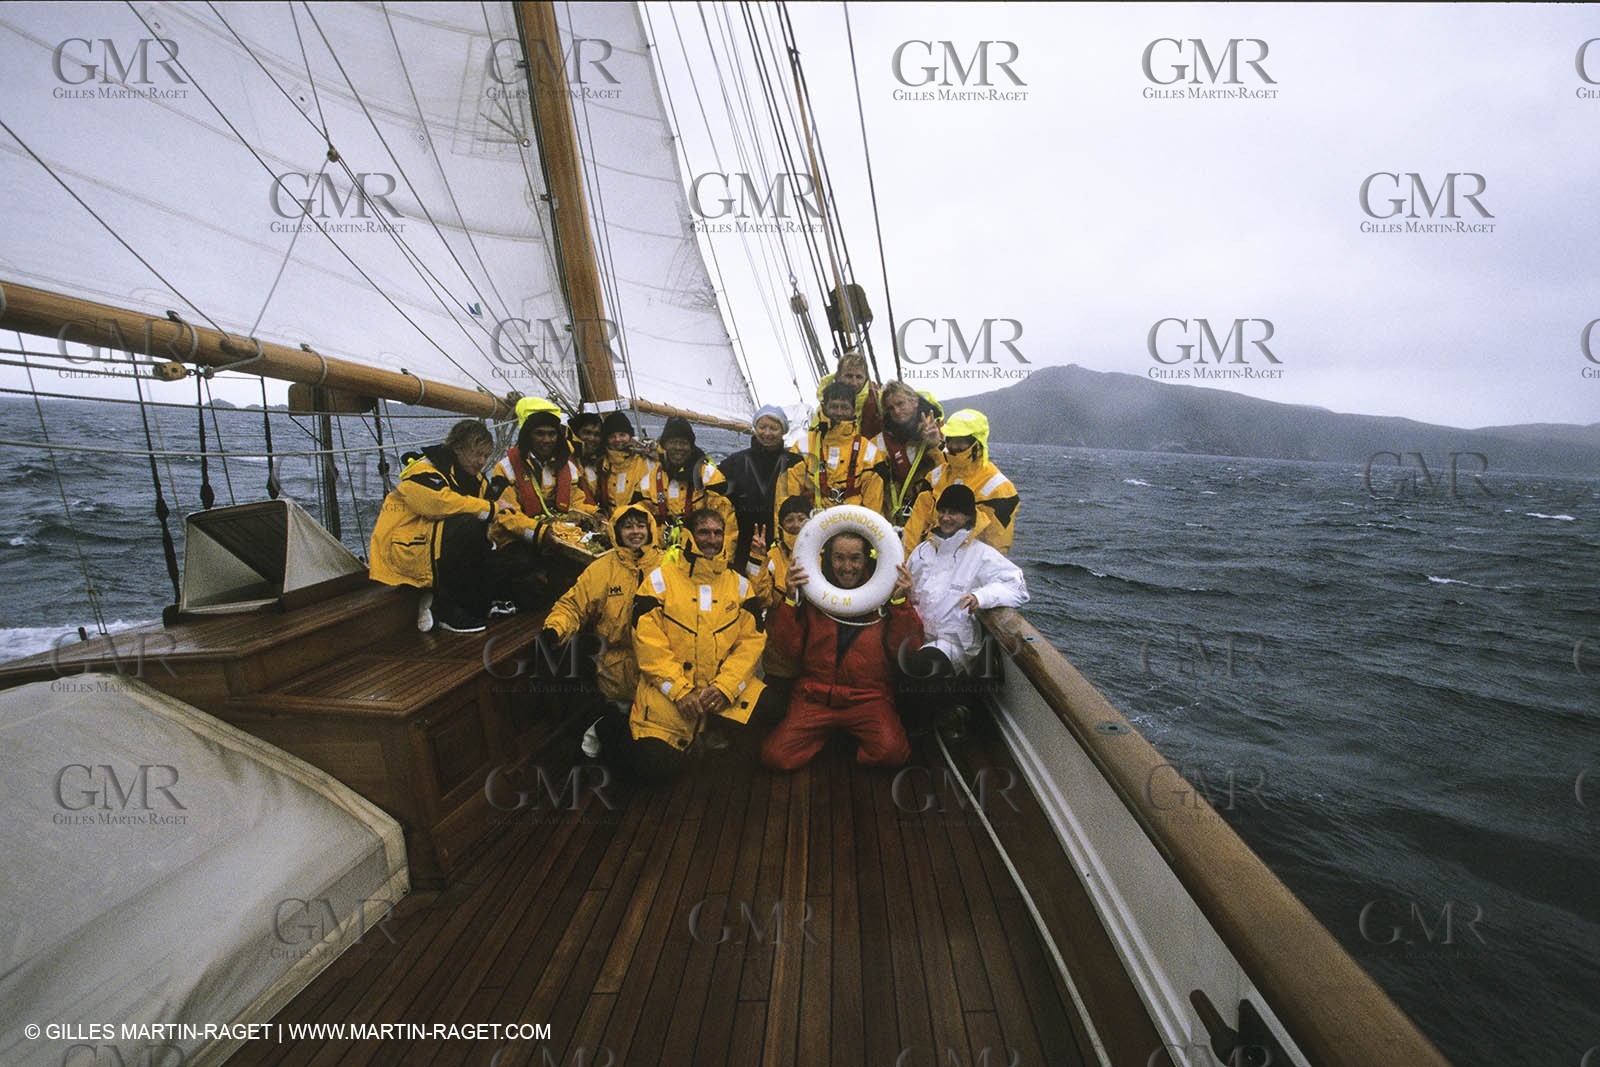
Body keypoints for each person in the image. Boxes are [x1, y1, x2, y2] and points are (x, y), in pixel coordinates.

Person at [592, 508, 766, 781]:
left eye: (717, 532)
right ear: (688, 535)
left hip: (717, 692)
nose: (711, 539)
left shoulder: (740, 586)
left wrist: (725, 687)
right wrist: (680, 691)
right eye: (703, 532)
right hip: (669, 693)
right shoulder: (659, 582)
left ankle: (708, 734)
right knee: (657, 768)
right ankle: (609, 726)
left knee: (768, 720)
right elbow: (648, 645)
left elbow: (751, 643)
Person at [760, 530, 920, 772]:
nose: (847, 567)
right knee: (775, 757)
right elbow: (787, 649)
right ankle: (835, 735)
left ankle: (839, 739)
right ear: (828, 558)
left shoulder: (886, 594)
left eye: (855, 558)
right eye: (839, 558)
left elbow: (907, 650)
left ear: (867, 559)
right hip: (815, 696)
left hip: (867, 697)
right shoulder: (813, 593)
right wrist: (791, 599)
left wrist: (900, 604)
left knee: (893, 753)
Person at [904, 484, 1029, 732]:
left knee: (921, 667)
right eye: (943, 511)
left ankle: (937, 720)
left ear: (969, 517)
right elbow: (909, 588)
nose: (946, 517)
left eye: (954, 512)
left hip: (954, 642)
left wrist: (981, 596)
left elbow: (1018, 586)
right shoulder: (922, 551)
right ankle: (942, 711)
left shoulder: (981, 554)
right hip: (917, 635)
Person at [368, 419, 498, 634]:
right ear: (457, 449)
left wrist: (538, 530)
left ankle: (461, 603)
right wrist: (489, 508)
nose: (482, 462)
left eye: (486, 456)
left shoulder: (475, 479)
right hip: (405, 551)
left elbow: (502, 511)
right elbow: (437, 504)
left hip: (431, 546)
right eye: (477, 454)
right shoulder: (423, 470)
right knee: (468, 524)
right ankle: (444, 607)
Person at [543, 506, 660, 714]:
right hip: (615, 674)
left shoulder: (667, 566)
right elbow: (573, 605)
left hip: (659, 670)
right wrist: (555, 628)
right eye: (628, 527)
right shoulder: (601, 569)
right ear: (616, 531)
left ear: (650, 529)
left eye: (641, 526)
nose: (635, 532)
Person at [902, 408, 1019, 554]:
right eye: (950, 439)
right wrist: (906, 566)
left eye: (961, 441)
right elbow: (914, 528)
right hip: (927, 561)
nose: (953, 446)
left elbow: (996, 546)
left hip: (967, 568)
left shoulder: (1000, 489)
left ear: (978, 443)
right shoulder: (935, 477)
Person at [781, 380, 885, 517]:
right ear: (823, 407)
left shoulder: (869, 452)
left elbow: (874, 505)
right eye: (834, 406)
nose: (839, 412)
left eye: (844, 407)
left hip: (856, 522)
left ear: (853, 410)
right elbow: (787, 499)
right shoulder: (802, 447)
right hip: (813, 523)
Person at [719, 404, 803, 571]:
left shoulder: (796, 463)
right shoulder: (735, 462)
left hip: (783, 545)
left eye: (774, 428)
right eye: (762, 427)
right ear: (755, 428)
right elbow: (709, 482)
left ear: (783, 431)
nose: (767, 433)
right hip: (744, 542)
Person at [649, 416, 738, 560]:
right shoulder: (651, 477)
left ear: (691, 446)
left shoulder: (709, 476)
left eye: (683, 443)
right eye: (673, 442)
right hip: (658, 558)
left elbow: (727, 523)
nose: (678, 448)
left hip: (700, 558)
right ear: (664, 445)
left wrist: (722, 560)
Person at [871, 380, 945, 530]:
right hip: (891, 521)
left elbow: (947, 477)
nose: (897, 411)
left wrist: (934, 446)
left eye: (900, 404)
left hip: (927, 518)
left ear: (915, 402)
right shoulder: (880, 441)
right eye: (891, 408)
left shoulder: (939, 434)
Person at [592, 411, 656, 521]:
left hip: (639, 522)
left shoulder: (646, 461)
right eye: (612, 436)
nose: (617, 439)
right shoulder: (601, 465)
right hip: (609, 523)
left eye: (622, 435)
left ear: (631, 436)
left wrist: (656, 449)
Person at [814, 350, 882, 438]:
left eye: (859, 377)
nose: (854, 383)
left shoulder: (878, 401)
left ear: (866, 378)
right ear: (838, 376)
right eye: (849, 376)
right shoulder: (825, 405)